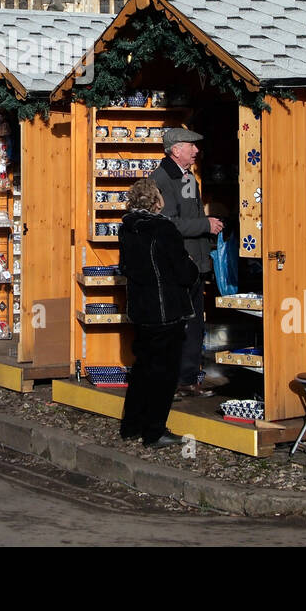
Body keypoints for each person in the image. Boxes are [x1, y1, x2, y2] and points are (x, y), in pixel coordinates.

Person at [118, 178, 198, 448]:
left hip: (141, 310)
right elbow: (183, 272)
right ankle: (154, 431)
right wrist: (193, 269)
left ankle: (131, 424)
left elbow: (126, 267)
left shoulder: (127, 229)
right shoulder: (164, 229)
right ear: (156, 201)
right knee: (164, 374)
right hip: (166, 309)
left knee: (142, 368)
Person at [151, 128, 224, 398]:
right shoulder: (162, 179)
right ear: (175, 149)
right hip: (179, 263)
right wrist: (205, 224)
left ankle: (188, 380)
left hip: (194, 262)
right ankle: (173, 381)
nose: (196, 150)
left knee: (193, 324)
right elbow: (169, 223)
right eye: (191, 146)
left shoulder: (188, 176)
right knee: (178, 324)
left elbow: (189, 215)